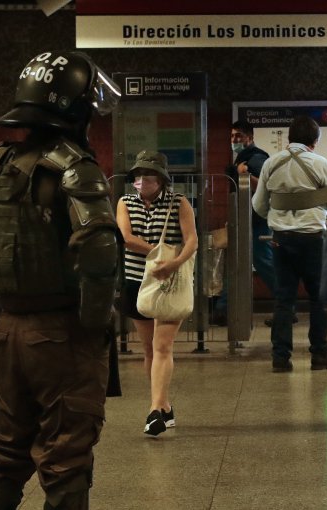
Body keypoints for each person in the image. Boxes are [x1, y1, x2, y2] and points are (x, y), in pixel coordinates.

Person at [0, 50, 120, 509]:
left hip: (9, 331)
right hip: (63, 334)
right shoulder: (74, 167)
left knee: (3, 450)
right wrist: (93, 323)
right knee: (67, 457)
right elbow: (98, 247)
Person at [116, 149, 197, 437]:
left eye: (148, 176)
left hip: (169, 283)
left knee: (163, 346)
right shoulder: (125, 202)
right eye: (138, 176)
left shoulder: (179, 203)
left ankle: (154, 411)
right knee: (149, 348)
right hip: (137, 280)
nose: (141, 182)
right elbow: (125, 237)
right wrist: (157, 256)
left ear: (161, 179)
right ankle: (164, 407)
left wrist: (173, 263)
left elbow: (192, 241)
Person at [252, 115, 327, 372]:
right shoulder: (320, 163)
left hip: (281, 240)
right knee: (318, 299)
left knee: (283, 300)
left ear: (289, 138)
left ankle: (281, 358)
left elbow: (258, 206)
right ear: (315, 140)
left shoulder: (271, 163)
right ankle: (319, 354)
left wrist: (280, 211)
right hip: (313, 240)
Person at [213, 120, 275, 326]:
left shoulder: (257, 158)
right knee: (236, 263)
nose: (235, 140)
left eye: (239, 136)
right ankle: (223, 308)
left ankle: (287, 304)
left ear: (250, 137)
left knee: (263, 263)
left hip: (256, 220)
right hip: (243, 217)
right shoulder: (243, 157)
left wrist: (244, 173)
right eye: (232, 136)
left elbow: (261, 186)